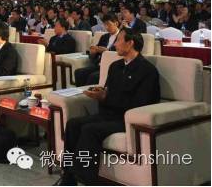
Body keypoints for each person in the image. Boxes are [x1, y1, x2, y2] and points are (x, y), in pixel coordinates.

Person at [55, 28, 160, 186]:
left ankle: (86, 180)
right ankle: (68, 177)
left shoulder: (147, 71)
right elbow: (107, 90)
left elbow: (141, 104)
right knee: (73, 124)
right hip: (107, 113)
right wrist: (99, 94)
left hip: (126, 119)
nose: (115, 44)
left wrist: (106, 98)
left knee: (90, 130)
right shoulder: (115, 66)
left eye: (119, 40)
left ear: (130, 43)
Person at [74, 14, 120, 86]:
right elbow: (96, 52)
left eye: (108, 24)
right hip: (99, 64)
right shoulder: (104, 36)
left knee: (93, 77)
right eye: (105, 25)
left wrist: (107, 51)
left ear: (116, 23)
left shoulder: (121, 37)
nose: (106, 27)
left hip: (112, 66)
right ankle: (81, 92)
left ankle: (89, 92)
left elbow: (120, 53)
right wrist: (93, 52)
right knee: (79, 72)